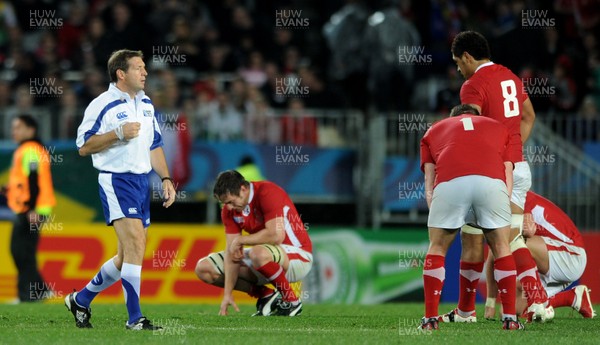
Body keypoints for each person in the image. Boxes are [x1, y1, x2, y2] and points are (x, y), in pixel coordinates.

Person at [444, 31, 548, 323]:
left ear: (467, 57)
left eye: (457, 62)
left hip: (490, 171)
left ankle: (466, 312)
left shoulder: (473, 85)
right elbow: (529, 116)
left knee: (474, 239)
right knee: (511, 238)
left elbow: (470, 126)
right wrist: (512, 148)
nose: (458, 69)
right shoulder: (512, 78)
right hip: (519, 168)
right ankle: (536, 302)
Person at [67, 49, 176, 330]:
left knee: (127, 255)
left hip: (141, 183)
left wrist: (165, 178)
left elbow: (154, 145)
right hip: (117, 180)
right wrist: (117, 133)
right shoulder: (101, 104)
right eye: (139, 68)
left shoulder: (146, 103)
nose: (145, 72)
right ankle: (134, 318)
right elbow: (83, 146)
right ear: (121, 73)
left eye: (144, 68)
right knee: (136, 244)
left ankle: (81, 299)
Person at [419, 104, 522, 331]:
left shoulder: (434, 130)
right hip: (492, 183)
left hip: (450, 183)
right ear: (478, 117)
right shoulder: (498, 127)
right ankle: (511, 320)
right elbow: (507, 171)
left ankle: (429, 321)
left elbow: (430, 178)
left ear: (452, 118)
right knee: (501, 246)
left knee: (437, 247)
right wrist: (502, 204)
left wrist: (435, 213)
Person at [195, 170, 312, 317]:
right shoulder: (228, 210)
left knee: (257, 253)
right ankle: (265, 294)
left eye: (231, 202)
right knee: (204, 268)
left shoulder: (267, 192)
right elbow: (233, 254)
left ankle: (292, 302)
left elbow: (276, 235)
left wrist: (241, 240)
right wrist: (227, 293)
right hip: (265, 258)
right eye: (225, 203)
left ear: (243, 189)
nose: (228, 207)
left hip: (298, 256)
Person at [484, 191, 595, 320]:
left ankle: (539, 300)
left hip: (571, 254)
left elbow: (497, 247)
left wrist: (490, 303)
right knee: (510, 312)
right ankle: (573, 297)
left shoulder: (517, 200)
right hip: (550, 255)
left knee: (503, 242)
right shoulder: (508, 197)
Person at [5, 115, 56, 302]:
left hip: (31, 211)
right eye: (13, 127)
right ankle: (40, 289)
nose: (14, 131)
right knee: (24, 251)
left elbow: (34, 180)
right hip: (31, 209)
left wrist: (31, 209)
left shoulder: (30, 150)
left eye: (18, 127)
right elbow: (25, 181)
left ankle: (27, 295)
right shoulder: (29, 149)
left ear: (30, 130)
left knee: (20, 251)